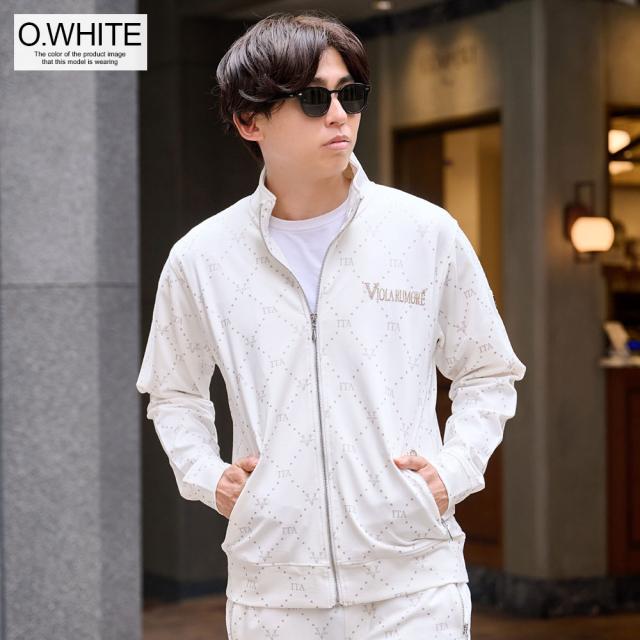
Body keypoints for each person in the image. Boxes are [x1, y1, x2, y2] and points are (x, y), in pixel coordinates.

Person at [135, 10, 526, 639]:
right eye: (314, 99)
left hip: (414, 587)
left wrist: (452, 473)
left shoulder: (424, 233)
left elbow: (488, 371)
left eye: (352, 94)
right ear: (250, 120)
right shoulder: (202, 258)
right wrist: (208, 477)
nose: (339, 114)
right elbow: (173, 392)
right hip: (273, 593)